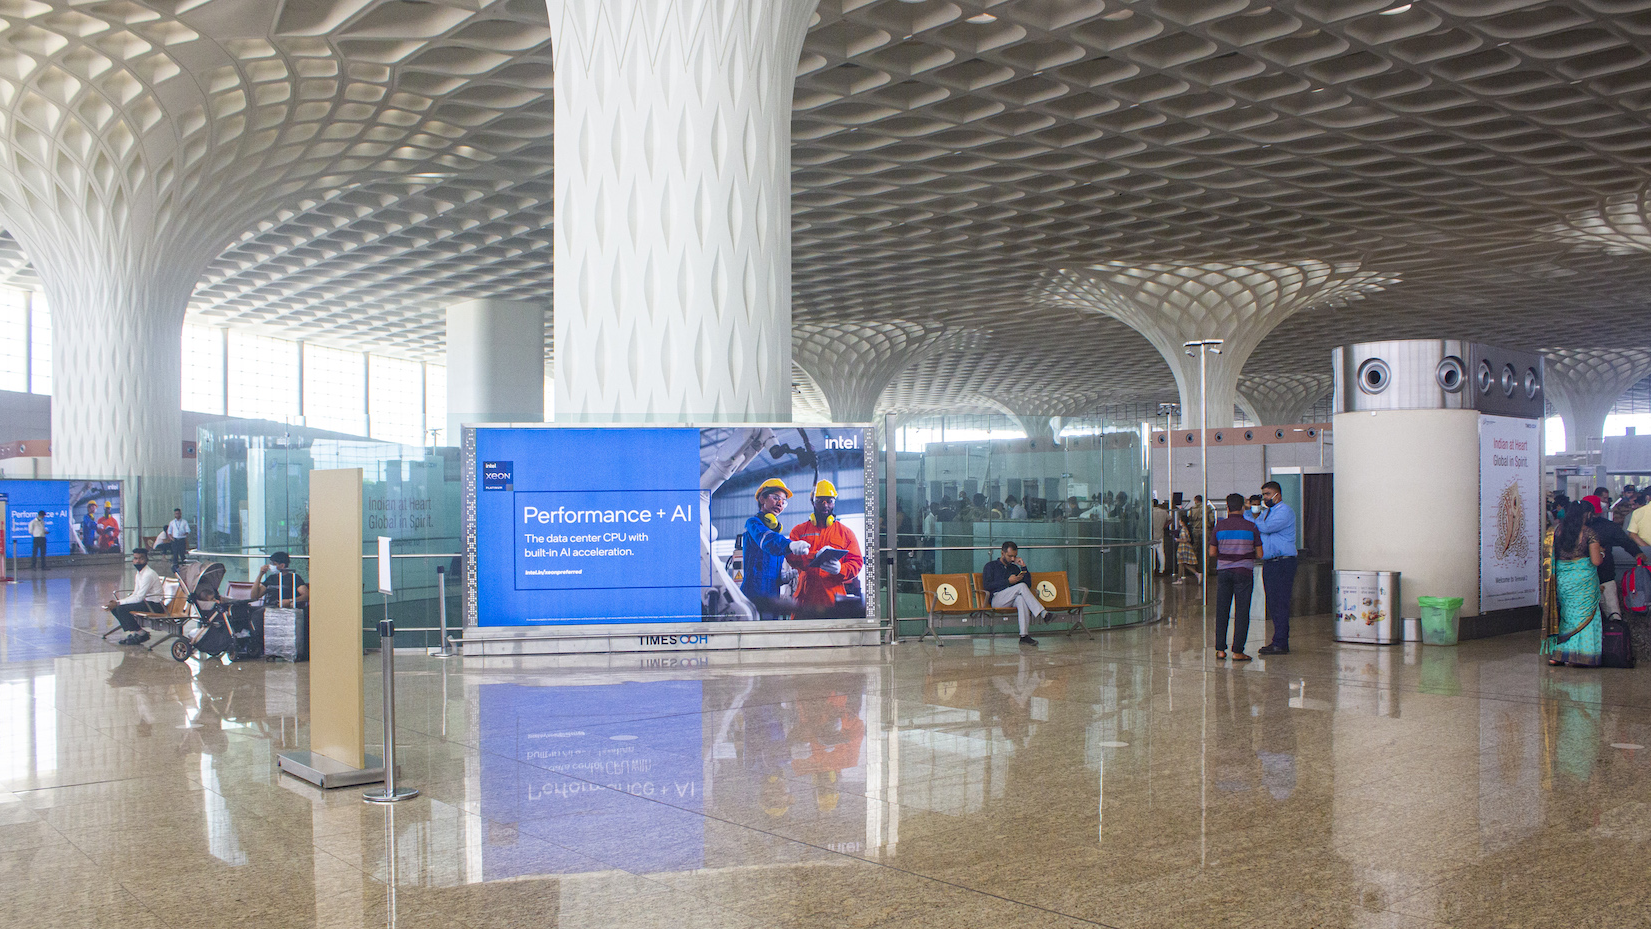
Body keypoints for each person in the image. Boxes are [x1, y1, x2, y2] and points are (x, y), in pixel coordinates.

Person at [786, 480, 865, 617]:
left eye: (829, 501)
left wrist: (841, 569)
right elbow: (790, 557)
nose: (825, 505)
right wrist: (813, 557)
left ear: (834, 503)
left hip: (834, 599)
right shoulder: (799, 531)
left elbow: (856, 561)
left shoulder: (845, 533)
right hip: (805, 599)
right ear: (813, 502)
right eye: (820, 501)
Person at [1544, 502, 1605, 667]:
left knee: (1567, 616)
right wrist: (1602, 553)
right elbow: (1595, 560)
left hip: (1564, 579)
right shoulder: (1589, 533)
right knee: (1586, 616)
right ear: (1585, 515)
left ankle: (1558, 655)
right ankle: (1583, 656)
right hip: (1583, 579)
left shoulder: (1556, 532)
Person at [742, 479, 810, 620]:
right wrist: (790, 545)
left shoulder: (776, 535)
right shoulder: (754, 524)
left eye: (783, 501)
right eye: (776, 498)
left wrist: (782, 578)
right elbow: (766, 541)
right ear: (762, 498)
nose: (780, 504)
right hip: (753, 597)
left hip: (772, 599)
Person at [1211, 493, 1263, 661]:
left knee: (1222, 610)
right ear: (1243, 507)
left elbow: (1212, 552)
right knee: (1242, 612)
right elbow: (1260, 553)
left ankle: (1220, 650)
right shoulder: (1251, 526)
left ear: (1227, 508)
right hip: (1244, 573)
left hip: (1224, 572)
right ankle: (1238, 651)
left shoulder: (1219, 526)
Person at [1253, 481, 1298, 656]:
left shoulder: (1284, 511)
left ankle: (1280, 642)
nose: (1265, 498)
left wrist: (1253, 519)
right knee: (1273, 602)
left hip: (1283, 563)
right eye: (1263, 494)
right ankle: (1278, 640)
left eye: (1267, 494)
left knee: (1280, 602)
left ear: (1277, 494)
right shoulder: (1267, 513)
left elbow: (1265, 528)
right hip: (1271, 562)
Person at [1584, 496, 1641, 622]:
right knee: (1614, 616)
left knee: (1584, 618)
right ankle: (1616, 638)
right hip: (1605, 576)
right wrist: (1638, 553)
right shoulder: (1609, 526)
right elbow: (1625, 541)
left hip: (1582, 579)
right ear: (1598, 511)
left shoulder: (1572, 529)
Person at [981, 541, 1046, 646]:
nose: (1012, 559)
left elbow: (1027, 585)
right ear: (1002, 553)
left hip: (1011, 599)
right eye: (1010, 556)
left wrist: (1023, 567)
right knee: (1020, 587)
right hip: (997, 599)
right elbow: (987, 586)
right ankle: (1042, 613)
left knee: (1021, 599)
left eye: (1014, 556)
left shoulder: (1014, 568)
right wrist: (1008, 581)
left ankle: (1024, 635)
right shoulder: (990, 566)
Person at [105, 547, 165, 646]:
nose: (138, 561)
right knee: (116, 608)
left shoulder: (148, 574)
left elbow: (139, 597)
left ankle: (141, 634)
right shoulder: (139, 574)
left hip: (155, 605)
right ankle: (135, 633)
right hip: (146, 603)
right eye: (135, 558)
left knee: (121, 609)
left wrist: (118, 603)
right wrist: (118, 602)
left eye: (141, 558)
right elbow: (135, 594)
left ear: (146, 560)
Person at [1150, 501, 1169, 575]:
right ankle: (1162, 570)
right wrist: (1164, 526)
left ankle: (1153, 569)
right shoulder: (1163, 512)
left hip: (1151, 535)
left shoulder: (1150, 512)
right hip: (1160, 534)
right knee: (1161, 552)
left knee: (1152, 553)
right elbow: (1170, 519)